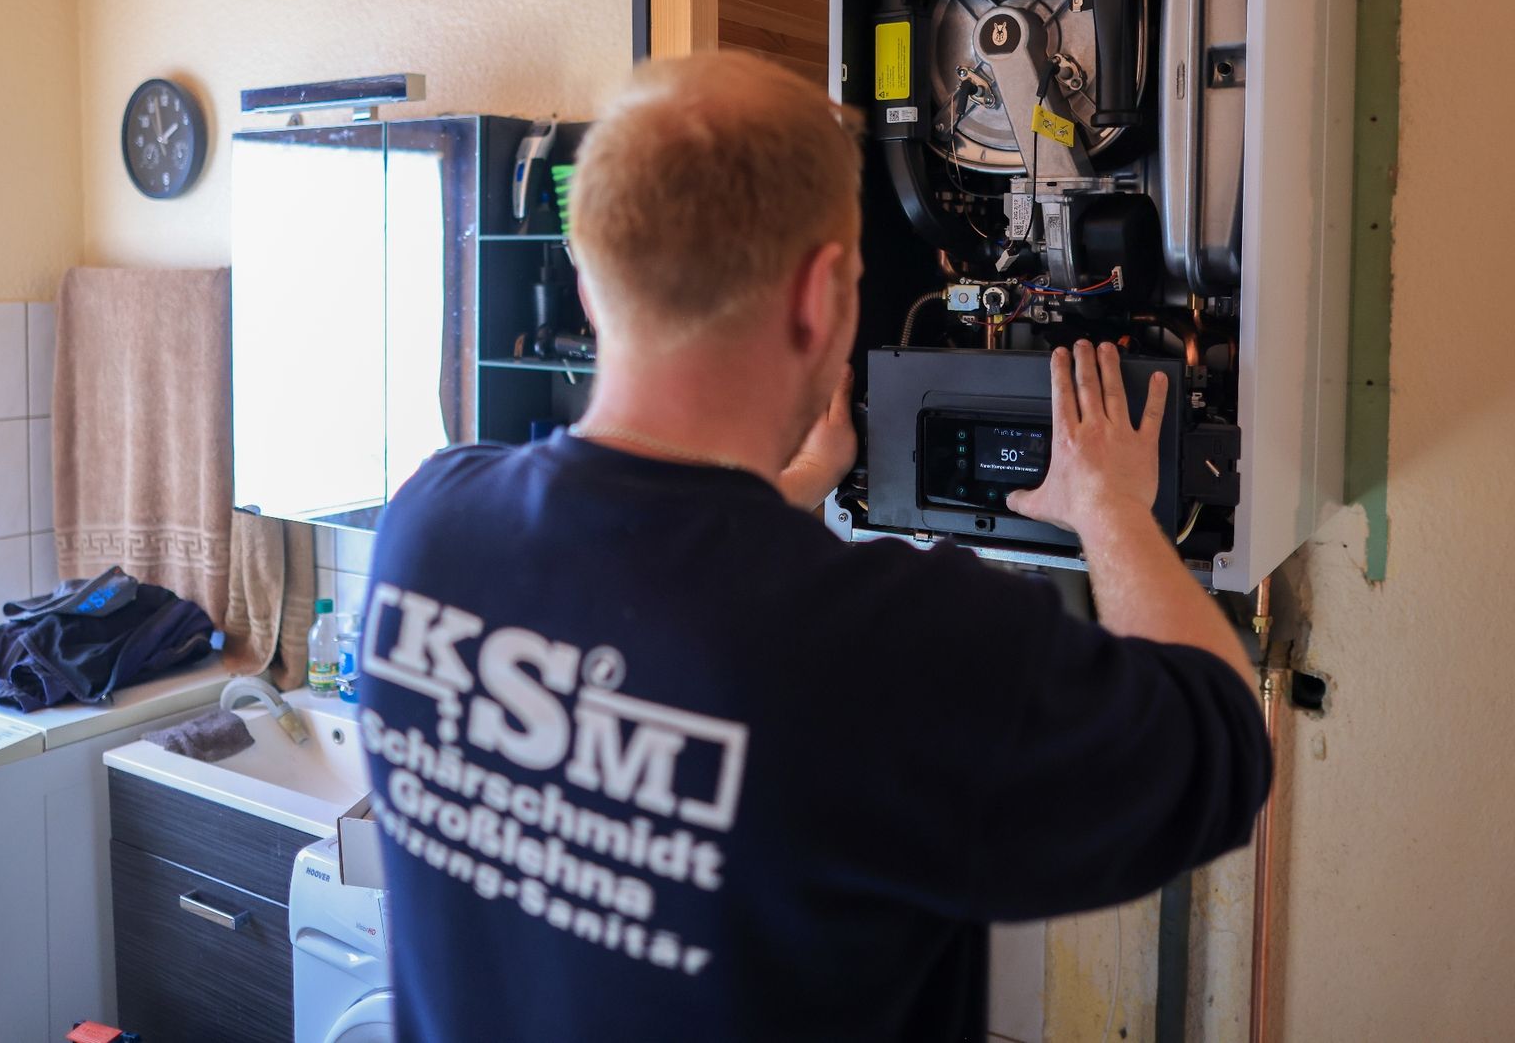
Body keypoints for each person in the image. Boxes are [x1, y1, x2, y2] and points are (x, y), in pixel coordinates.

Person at [356, 51, 1270, 1042]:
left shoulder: (429, 523)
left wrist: (794, 484)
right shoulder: (894, 645)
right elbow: (1220, 748)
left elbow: (652, 584)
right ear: (822, 294)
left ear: (586, 279)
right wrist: (1112, 510)